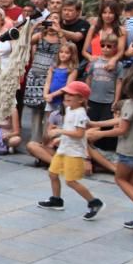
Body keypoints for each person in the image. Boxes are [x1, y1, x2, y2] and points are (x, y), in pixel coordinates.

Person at [86, 66, 133, 229]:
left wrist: (100, 134)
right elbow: (121, 122)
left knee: (120, 179)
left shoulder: (128, 104)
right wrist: (96, 123)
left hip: (129, 150)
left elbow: (122, 129)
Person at [37, 81, 106, 216]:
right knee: (52, 173)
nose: (67, 96)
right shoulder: (69, 109)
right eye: (66, 93)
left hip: (73, 153)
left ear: (81, 99)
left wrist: (60, 132)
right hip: (64, 149)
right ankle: (56, 200)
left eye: (72, 94)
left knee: (71, 181)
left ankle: (94, 202)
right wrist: (61, 137)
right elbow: (70, 130)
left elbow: (80, 134)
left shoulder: (80, 114)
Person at [24, 13, 63, 143]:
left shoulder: (61, 37)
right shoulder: (40, 35)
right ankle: (35, 141)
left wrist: (60, 32)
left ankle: (47, 143)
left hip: (52, 76)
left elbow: (67, 49)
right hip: (36, 75)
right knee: (36, 112)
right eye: (50, 18)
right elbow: (24, 42)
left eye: (56, 18)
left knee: (50, 111)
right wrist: (35, 26)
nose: (52, 21)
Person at [85, 34, 124, 151]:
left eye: (109, 46)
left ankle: (103, 151)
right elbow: (89, 78)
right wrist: (86, 96)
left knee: (104, 126)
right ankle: (89, 149)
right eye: (103, 45)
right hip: (92, 99)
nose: (105, 48)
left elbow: (119, 83)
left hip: (108, 100)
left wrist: (116, 100)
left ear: (115, 48)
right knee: (91, 123)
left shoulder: (118, 65)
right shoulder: (94, 61)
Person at [43, 41, 79, 114]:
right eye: (61, 52)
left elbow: (67, 88)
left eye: (67, 53)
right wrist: (45, 95)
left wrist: (52, 95)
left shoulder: (72, 70)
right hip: (50, 99)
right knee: (49, 121)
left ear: (72, 55)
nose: (63, 54)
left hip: (62, 101)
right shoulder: (53, 67)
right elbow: (47, 83)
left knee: (59, 121)